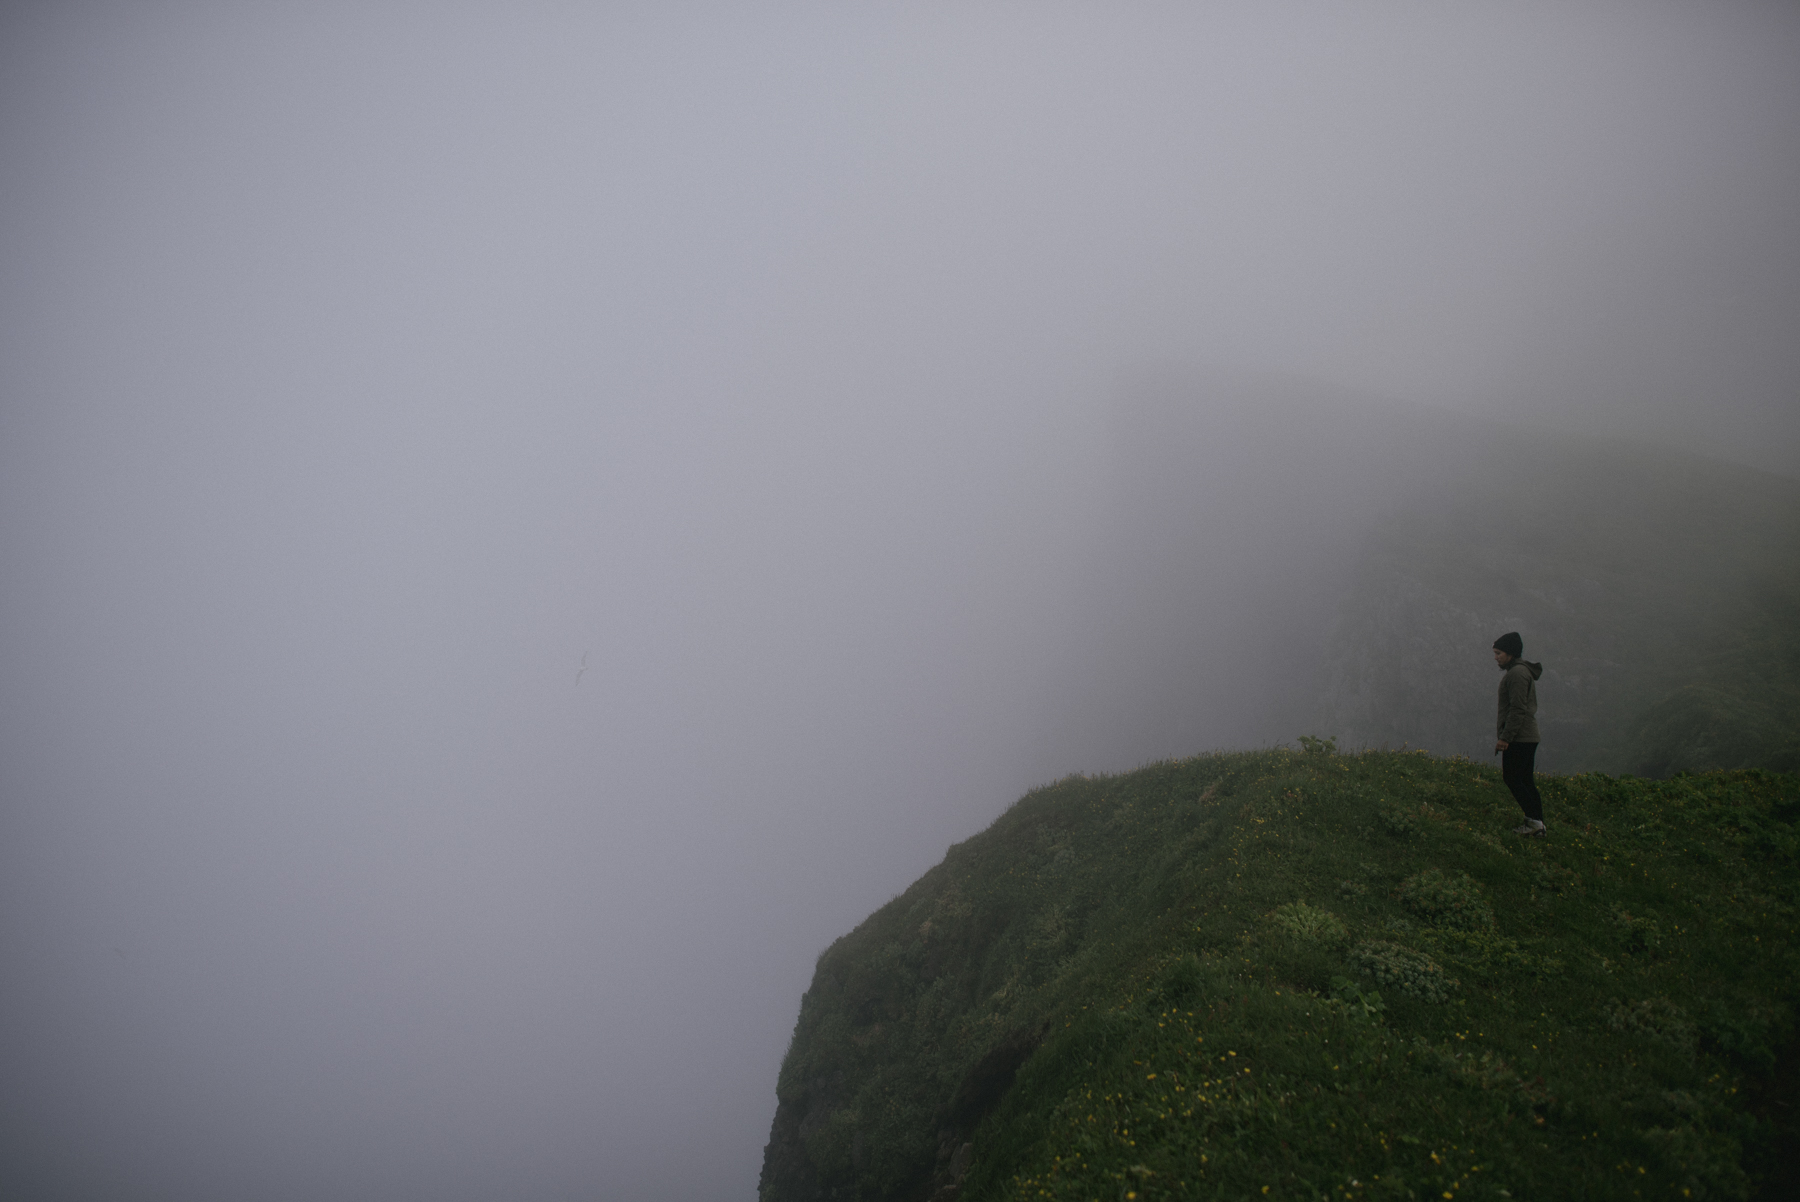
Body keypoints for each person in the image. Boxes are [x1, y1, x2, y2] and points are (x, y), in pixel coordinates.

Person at [1493, 632, 1545, 836]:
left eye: (1499, 653)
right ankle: (1536, 823)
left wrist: (1505, 737)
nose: (1496, 657)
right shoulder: (1520, 672)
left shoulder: (1516, 674)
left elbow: (1517, 708)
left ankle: (1534, 823)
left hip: (1520, 738)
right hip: (1526, 736)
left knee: (1513, 778)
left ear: (1510, 653)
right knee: (1525, 780)